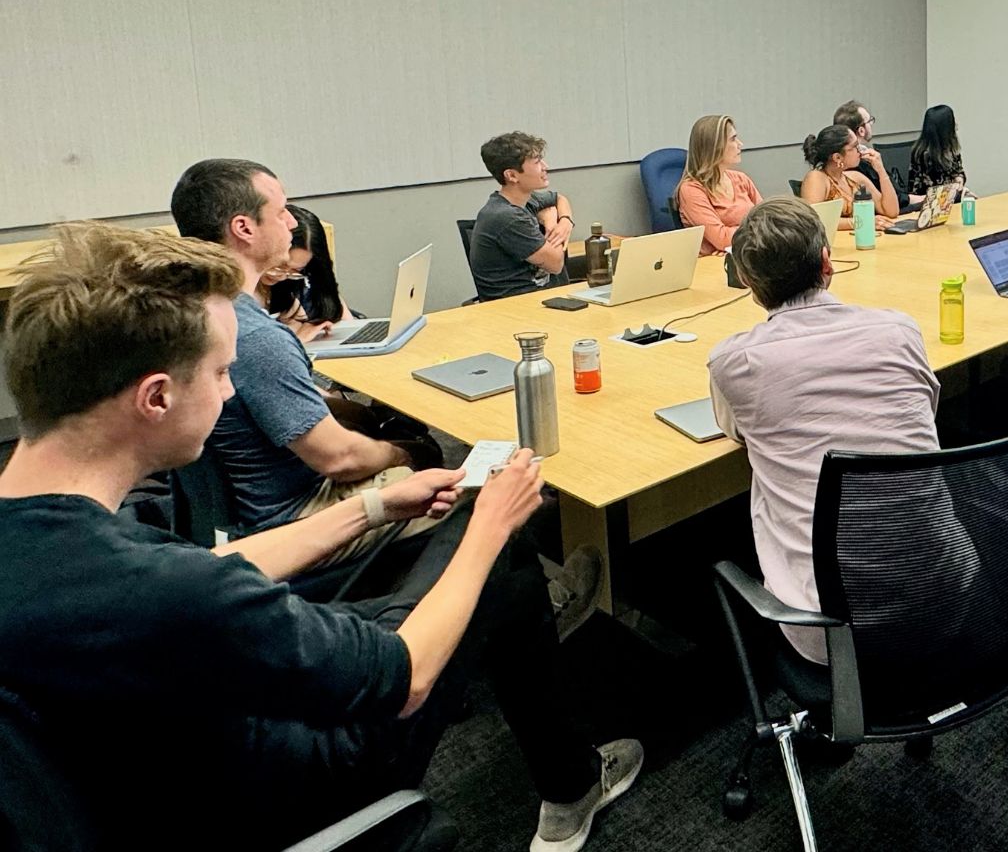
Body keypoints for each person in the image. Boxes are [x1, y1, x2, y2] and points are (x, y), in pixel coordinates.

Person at [0, 223, 642, 852]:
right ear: (157, 397)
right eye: (223, 373)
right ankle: (571, 782)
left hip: (153, 767)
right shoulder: (170, 592)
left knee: (492, 581)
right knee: (496, 561)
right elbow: (407, 676)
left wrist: (370, 507)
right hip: (275, 786)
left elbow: (210, 562)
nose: (229, 392)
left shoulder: (54, 535)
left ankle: (569, 776)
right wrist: (491, 525)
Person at [708, 197, 939, 663]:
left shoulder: (733, 362)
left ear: (749, 284)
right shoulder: (900, 331)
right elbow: (927, 412)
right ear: (827, 262)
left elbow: (736, 432)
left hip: (828, 632)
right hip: (948, 596)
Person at [171, 159, 441, 544]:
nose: (293, 223)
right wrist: (400, 454)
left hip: (233, 520)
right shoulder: (255, 335)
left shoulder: (191, 309)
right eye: (281, 212)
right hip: (293, 520)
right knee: (477, 502)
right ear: (243, 228)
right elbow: (341, 459)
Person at [471, 131, 576, 301]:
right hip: (520, 306)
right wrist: (550, 221)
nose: (545, 166)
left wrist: (565, 221)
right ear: (512, 175)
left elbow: (559, 199)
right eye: (536, 162)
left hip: (547, 299)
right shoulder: (506, 217)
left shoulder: (525, 199)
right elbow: (556, 264)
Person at [261, 203, 353, 343]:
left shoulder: (294, 285)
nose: (282, 276)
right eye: (280, 266)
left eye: (295, 270)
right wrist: (299, 340)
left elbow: (345, 321)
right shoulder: (243, 294)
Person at [674, 114, 763, 255]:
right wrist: (755, 232)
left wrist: (736, 240)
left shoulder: (742, 179)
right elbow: (721, 239)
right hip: (713, 264)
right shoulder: (691, 190)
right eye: (733, 139)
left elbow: (769, 221)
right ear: (714, 147)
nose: (740, 144)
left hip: (748, 255)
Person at [799, 125, 899, 233]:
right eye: (855, 146)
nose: (860, 150)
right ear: (837, 157)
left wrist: (880, 170)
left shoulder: (856, 177)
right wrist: (859, 222)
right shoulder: (816, 178)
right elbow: (813, 219)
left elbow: (891, 211)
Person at [833, 99, 910, 209]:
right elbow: (896, 202)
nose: (858, 152)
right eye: (870, 121)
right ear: (861, 131)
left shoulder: (865, 160)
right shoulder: (858, 165)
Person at [907, 103, 966, 201]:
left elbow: (958, 171)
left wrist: (959, 179)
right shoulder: (924, 154)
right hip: (927, 203)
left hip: (948, 198)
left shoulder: (950, 148)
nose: (956, 123)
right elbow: (933, 190)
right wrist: (957, 192)